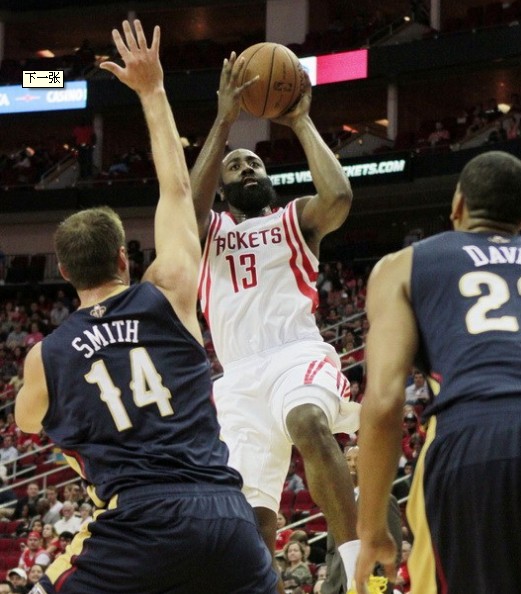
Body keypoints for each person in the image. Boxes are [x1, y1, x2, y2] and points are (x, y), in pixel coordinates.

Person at [14, 20, 276, 594]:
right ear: (124, 258)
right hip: (224, 515)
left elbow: (28, 422)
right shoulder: (169, 291)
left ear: (64, 273)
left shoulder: (46, 356)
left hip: (136, 525)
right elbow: (178, 191)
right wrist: (153, 91)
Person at [190, 50, 360, 592]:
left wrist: (300, 121)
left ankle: (359, 572)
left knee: (307, 421)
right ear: (223, 188)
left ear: (269, 177)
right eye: (236, 166)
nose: (247, 168)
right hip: (237, 377)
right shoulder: (208, 232)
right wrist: (224, 121)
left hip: (295, 353)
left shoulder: (295, 218)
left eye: (255, 164)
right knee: (251, 517)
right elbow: (185, 207)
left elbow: (339, 196)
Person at [355, 151, 521, 594]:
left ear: (458, 205)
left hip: (474, 440)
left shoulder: (402, 266)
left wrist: (371, 529)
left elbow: (384, 402)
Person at [323, 446, 402, 594]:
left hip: (371, 586)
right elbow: (331, 550)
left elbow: (394, 551)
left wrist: (381, 587)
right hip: (337, 588)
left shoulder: (384, 501)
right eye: (348, 460)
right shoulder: (337, 502)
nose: (352, 464)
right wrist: (331, 579)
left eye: (358, 460)